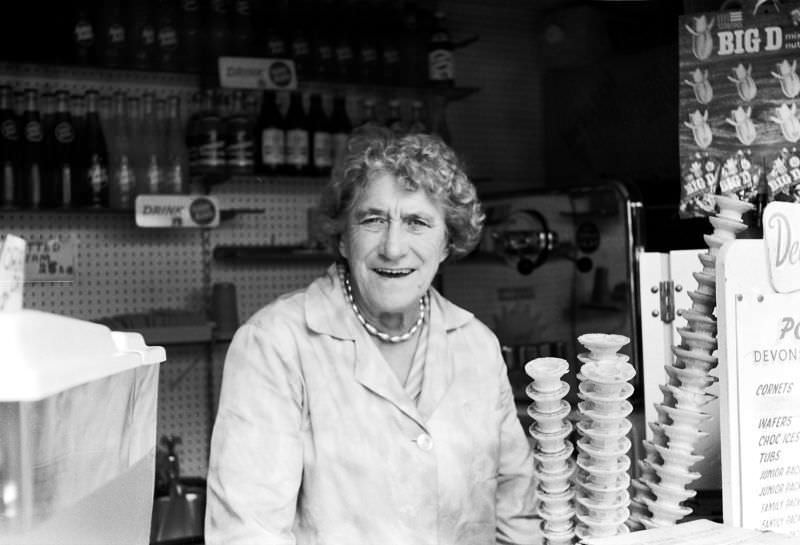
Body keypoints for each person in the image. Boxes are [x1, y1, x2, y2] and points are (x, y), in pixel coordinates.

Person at [205, 128, 542, 545]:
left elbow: (517, 513)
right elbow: (247, 533)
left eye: (417, 222)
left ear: (446, 243)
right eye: (373, 219)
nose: (393, 247)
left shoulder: (476, 344)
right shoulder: (275, 344)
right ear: (343, 238)